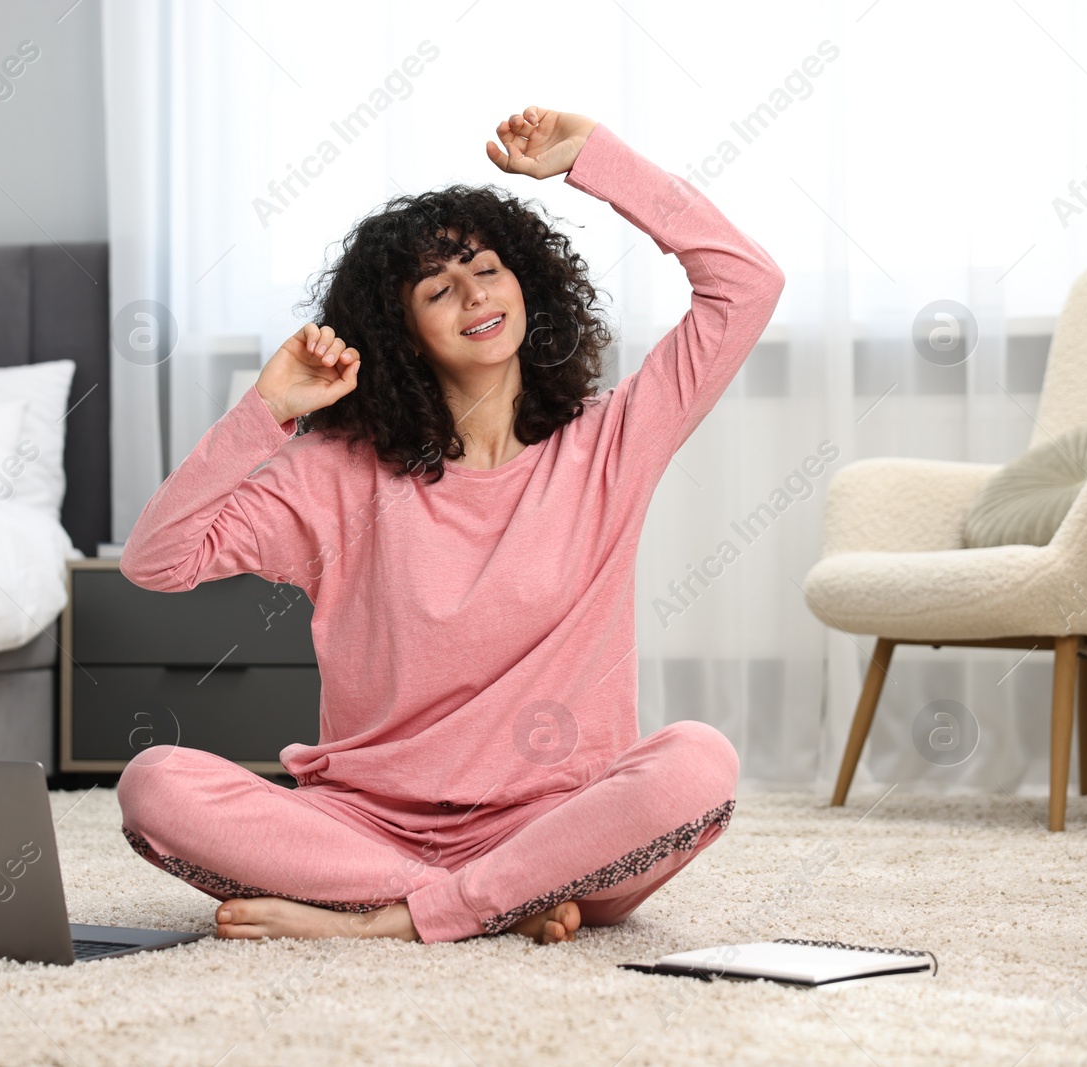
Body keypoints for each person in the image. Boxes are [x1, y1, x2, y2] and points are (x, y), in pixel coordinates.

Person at [117, 106, 785, 945]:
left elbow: (747, 284)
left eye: (487, 268)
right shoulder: (337, 470)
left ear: (527, 284)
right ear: (404, 335)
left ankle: (394, 918)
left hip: (559, 830)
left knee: (696, 762)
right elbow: (158, 560)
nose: (474, 293)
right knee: (156, 786)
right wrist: (267, 411)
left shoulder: (611, 439)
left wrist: (598, 161)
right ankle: (483, 902)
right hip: (368, 831)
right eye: (438, 288)